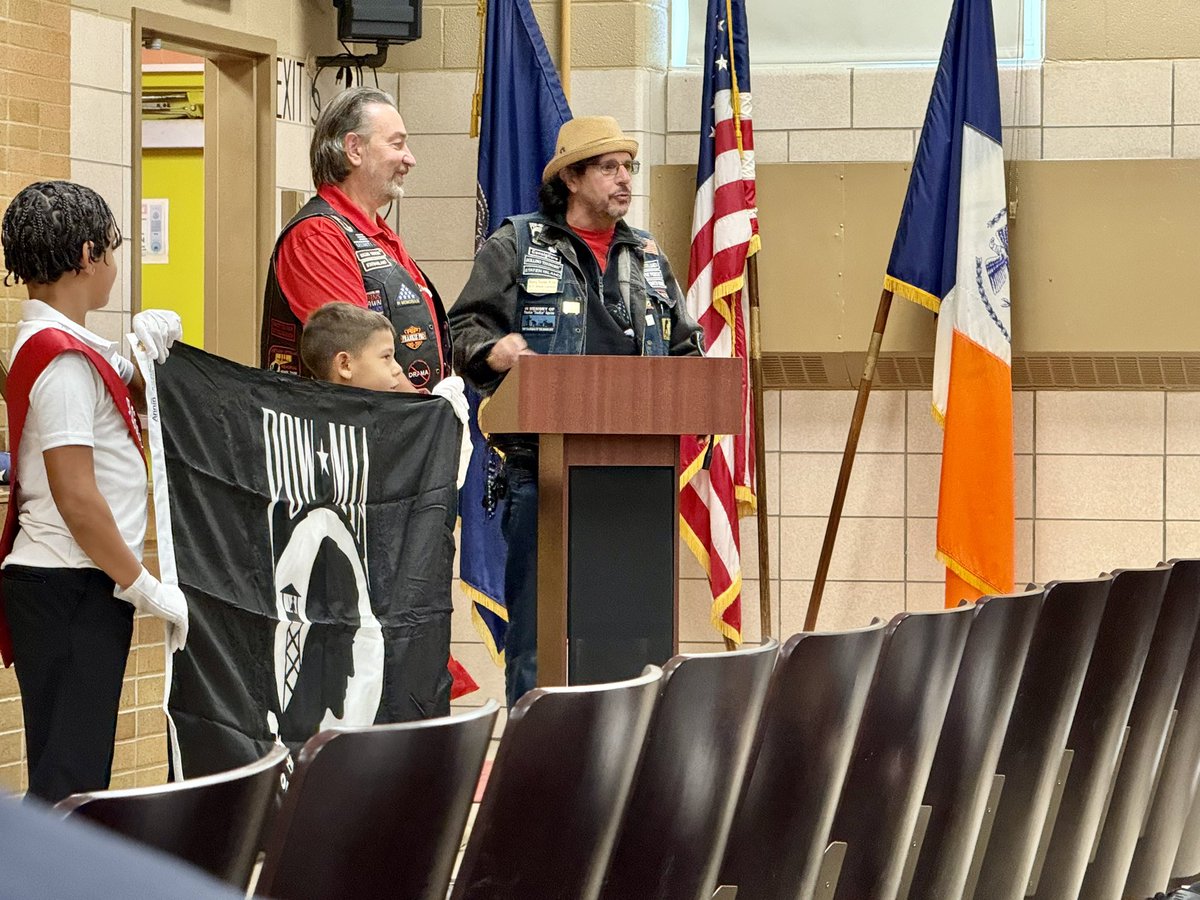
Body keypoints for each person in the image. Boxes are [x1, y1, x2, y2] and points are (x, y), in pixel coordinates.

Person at [448, 115, 705, 706]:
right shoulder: (516, 244)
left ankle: (625, 766)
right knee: (542, 640)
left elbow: (686, 349)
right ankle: (531, 772)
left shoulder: (646, 255)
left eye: (629, 167)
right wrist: (494, 350)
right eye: (610, 167)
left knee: (633, 640)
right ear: (570, 176)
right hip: (545, 473)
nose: (625, 180)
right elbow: (462, 330)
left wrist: (697, 378)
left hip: (638, 477)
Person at [0, 180, 188, 803]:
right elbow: (77, 498)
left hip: (72, 584)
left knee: (74, 775)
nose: (115, 262)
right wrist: (143, 585)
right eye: (113, 248)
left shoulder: (70, 346)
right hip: (69, 584)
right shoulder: (60, 361)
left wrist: (149, 358)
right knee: (70, 785)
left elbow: (133, 397)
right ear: (86, 256)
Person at [299, 302, 476, 706]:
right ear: (345, 364)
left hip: (396, 614)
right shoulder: (307, 428)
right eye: (386, 357)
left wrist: (443, 432)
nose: (399, 369)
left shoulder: (404, 427)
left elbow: (437, 500)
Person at [260, 85, 453, 402]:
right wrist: (432, 413)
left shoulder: (375, 232)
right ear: (354, 149)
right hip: (346, 440)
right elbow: (360, 357)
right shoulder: (318, 235)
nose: (410, 159)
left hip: (394, 433)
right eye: (397, 144)